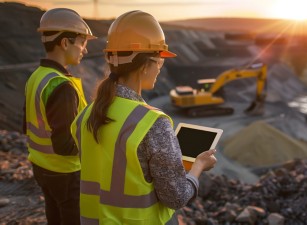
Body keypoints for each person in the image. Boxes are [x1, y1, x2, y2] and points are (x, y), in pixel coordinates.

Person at [70, 10, 217, 225]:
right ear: (146, 64)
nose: (159, 69)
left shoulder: (86, 115)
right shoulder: (152, 123)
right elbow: (176, 197)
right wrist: (198, 167)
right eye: (160, 61)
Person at [23, 8, 96, 225]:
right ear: (65, 43)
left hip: (42, 167)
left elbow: (27, 125)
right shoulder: (62, 86)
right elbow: (64, 145)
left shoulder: (37, 77)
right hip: (65, 172)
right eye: (82, 43)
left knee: (54, 216)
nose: (85, 49)